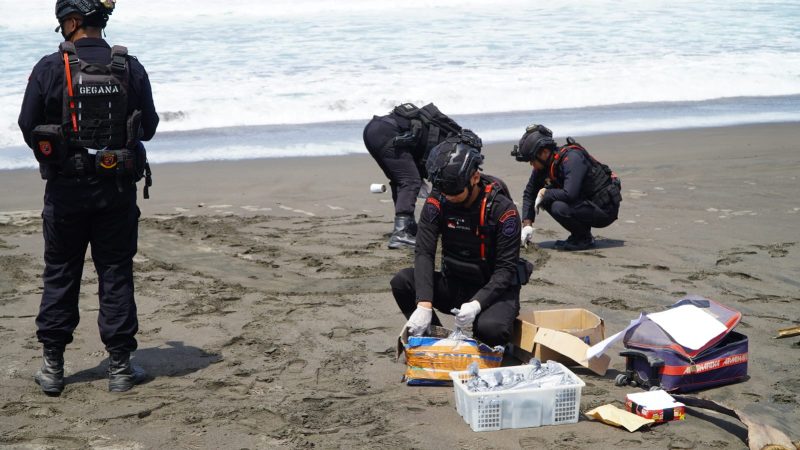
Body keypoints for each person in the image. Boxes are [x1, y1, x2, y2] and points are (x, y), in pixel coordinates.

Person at [18, 0, 159, 395]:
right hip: (116, 190)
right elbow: (148, 127)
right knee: (115, 272)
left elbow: (27, 124)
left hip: (65, 192)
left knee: (61, 272)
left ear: (74, 21)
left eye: (62, 21)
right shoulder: (129, 67)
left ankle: (53, 368)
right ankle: (119, 368)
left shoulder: (49, 67)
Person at [390, 133, 532, 347]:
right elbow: (424, 252)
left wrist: (477, 304)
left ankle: (497, 326)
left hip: (493, 289)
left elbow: (506, 270)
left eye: (455, 192)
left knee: (491, 331)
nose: (449, 197)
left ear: (474, 178)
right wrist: (424, 305)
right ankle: (433, 338)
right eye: (444, 191)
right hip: (455, 283)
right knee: (403, 282)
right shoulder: (438, 199)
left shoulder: (504, 211)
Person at [363, 103, 466, 249]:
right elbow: (441, 186)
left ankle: (408, 225)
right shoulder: (451, 151)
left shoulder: (448, 139)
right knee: (410, 181)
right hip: (388, 133)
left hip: (374, 129)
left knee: (400, 180)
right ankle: (400, 233)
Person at [511, 124, 621, 251]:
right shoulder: (543, 166)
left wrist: (545, 193)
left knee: (556, 205)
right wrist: (527, 225)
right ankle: (580, 234)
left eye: (532, 160)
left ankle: (583, 238)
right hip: (585, 204)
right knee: (546, 198)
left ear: (545, 153)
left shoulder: (572, 159)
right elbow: (529, 193)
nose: (531, 164)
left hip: (604, 210)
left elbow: (570, 194)